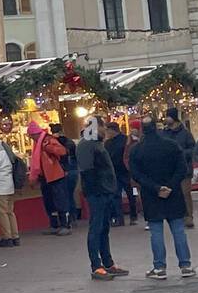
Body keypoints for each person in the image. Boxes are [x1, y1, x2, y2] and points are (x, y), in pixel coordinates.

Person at [129, 117, 194, 280]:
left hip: (151, 195)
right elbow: (182, 169)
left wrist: (156, 188)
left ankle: (159, 267)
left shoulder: (137, 150)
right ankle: (186, 265)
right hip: (174, 194)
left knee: (156, 232)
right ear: (156, 127)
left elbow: (136, 174)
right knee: (178, 230)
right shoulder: (171, 145)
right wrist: (170, 186)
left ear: (143, 130)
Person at [75, 117, 127, 281]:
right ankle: (96, 265)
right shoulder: (86, 145)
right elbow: (87, 171)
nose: (106, 130)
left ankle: (107, 262)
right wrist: (97, 190)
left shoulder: (96, 143)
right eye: (103, 126)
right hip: (97, 192)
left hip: (105, 191)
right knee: (96, 228)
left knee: (104, 228)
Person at [28, 119, 71, 235]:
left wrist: (49, 148)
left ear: (36, 134)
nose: (32, 139)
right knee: (49, 202)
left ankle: (65, 225)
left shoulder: (48, 140)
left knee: (60, 201)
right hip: (45, 176)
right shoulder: (38, 143)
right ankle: (54, 224)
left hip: (55, 175)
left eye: (32, 136)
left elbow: (62, 151)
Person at [161, 107, 197, 227]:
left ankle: (188, 217)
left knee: (185, 193)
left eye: (168, 116)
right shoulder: (164, 133)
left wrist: (181, 152)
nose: (166, 118)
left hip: (184, 169)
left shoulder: (185, 133)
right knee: (173, 194)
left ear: (174, 118)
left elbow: (193, 149)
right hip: (168, 170)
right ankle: (177, 216)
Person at [104, 121, 135, 227]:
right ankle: (119, 218)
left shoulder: (126, 140)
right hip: (114, 172)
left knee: (131, 194)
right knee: (116, 195)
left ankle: (133, 216)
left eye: (108, 130)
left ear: (113, 130)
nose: (106, 133)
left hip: (126, 171)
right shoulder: (107, 143)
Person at [51, 124, 80, 222]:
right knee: (70, 194)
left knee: (64, 195)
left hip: (64, 170)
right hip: (73, 170)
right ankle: (73, 216)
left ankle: (67, 219)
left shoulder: (55, 143)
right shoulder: (70, 142)